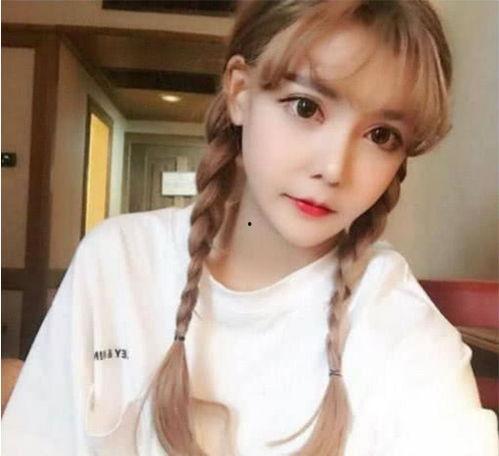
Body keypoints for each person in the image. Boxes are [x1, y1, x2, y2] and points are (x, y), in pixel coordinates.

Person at [2, 1, 498, 455]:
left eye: (381, 135)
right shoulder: (116, 261)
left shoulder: (402, 328)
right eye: (306, 107)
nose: (334, 168)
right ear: (240, 92)